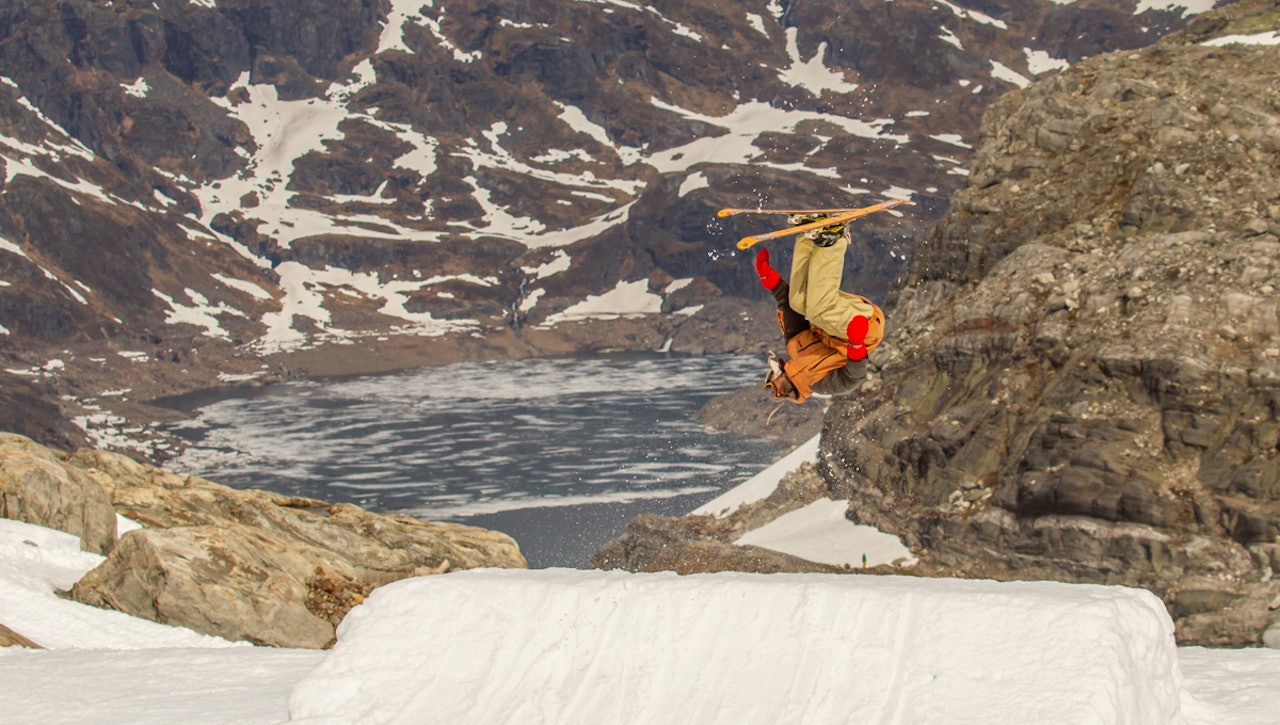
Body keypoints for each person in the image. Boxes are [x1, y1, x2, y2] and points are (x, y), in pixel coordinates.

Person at [753, 217, 884, 403]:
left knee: (798, 302)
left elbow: (789, 308)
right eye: (774, 395)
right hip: (862, 331)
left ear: (774, 375)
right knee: (816, 310)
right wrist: (855, 344)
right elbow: (853, 378)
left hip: (841, 318)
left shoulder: (794, 347)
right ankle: (834, 239)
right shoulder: (819, 384)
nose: (777, 392)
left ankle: (809, 237)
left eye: (771, 387)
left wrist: (770, 281)